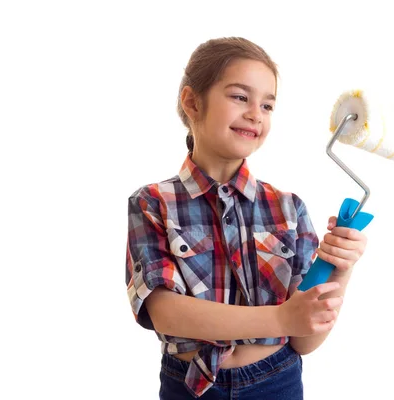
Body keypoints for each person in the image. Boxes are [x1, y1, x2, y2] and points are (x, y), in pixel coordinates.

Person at [125, 37, 368, 399]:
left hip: (277, 380)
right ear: (193, 102)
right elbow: (165, 313)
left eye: (268, 105)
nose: (256, 113)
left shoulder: (289, 208)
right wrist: (281, 318)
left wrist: (340, 268)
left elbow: (304, 340)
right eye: (240, 97)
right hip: (190, 386)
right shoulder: (153, 202)